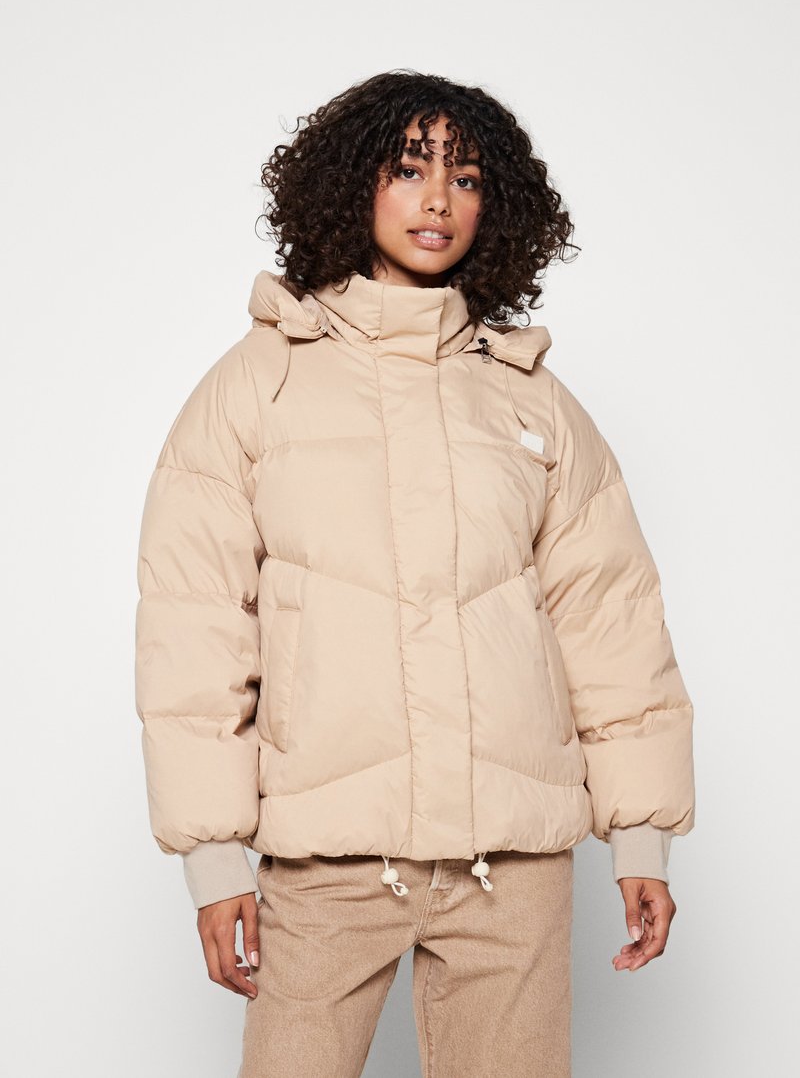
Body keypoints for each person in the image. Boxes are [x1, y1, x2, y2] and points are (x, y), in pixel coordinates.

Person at [134, 69, 695, 1077]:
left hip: (511, 868)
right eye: (408, 169)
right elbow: (196, 629)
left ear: (497, 206)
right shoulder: (257, 386)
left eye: (465, 178)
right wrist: (214, 860)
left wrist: (642, 836)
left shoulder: (530, 401)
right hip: (326, 860)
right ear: (349, 184)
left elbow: (609, 620)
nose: (438, 199)